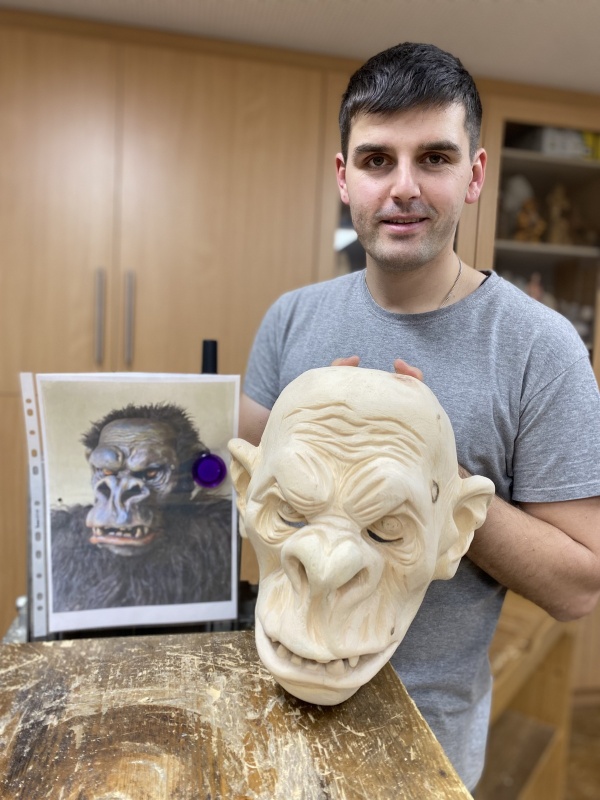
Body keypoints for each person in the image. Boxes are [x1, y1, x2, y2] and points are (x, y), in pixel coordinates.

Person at [239, 42, 600, 791]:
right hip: (271, 698)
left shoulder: (541, 349)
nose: (403, 187)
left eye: (434, 158)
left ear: (475, 174)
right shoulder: (290, 319)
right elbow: (254, 493)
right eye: (377, 160)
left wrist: (437, 475)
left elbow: (579, 585)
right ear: (345, 177)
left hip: (422, 743)